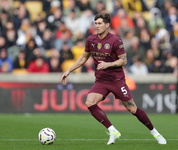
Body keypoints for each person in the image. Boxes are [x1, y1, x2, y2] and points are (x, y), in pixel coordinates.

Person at [60, 12, 166, 145]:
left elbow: (124, 61)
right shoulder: (91, 40)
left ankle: (155, 133)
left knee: (132, 109)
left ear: (107, 25)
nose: (97, 26)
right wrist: (68, 70)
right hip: (101, 80)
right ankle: (113, 131)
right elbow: (83, 58)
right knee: (89, 102)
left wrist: (108, 64)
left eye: (100, 23)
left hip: (117, 80)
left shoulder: (115, 40)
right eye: (96, 23)